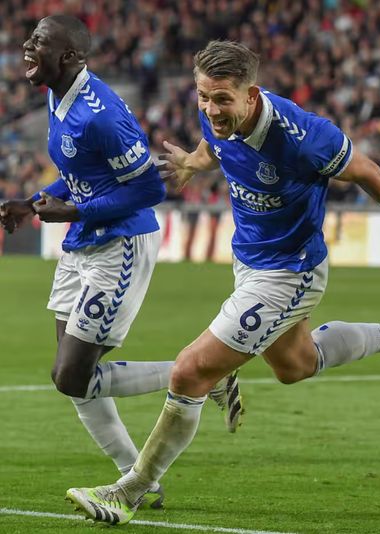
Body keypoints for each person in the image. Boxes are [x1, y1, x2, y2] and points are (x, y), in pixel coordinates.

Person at [66, 40, 380, 525]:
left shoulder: (304, 136)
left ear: (253, 94)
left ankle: (130, 490)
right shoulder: (216, 113)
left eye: (222, 98)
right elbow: (215, 147)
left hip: (290, 272)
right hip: (249, 262)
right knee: (295, 365)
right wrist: (192, 163)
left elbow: (369, 173)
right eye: (202, 96)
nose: (210, 108)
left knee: (189, 372)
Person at [0, 21, 243, 511]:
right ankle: (140, 479)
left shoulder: (101, 115)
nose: (28, 45)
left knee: (70, 376)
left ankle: (202, 376)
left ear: (68, 56)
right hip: (82, 241)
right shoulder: (58, 95)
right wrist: (34, 201)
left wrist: (74, 211)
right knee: (72, 377)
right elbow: (83, 173)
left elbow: (150, 189)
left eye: (40, 41)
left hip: (119, 244)